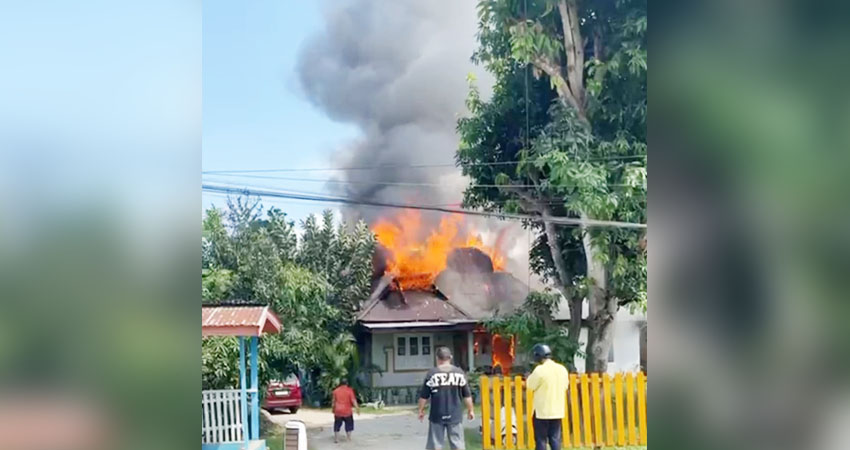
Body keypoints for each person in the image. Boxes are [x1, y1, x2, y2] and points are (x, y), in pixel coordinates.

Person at [418, 346, 474, 450]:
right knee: (457, 443)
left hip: (437, 414)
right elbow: (467, 395)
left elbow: (424, 396)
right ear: (450, 357)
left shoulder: (432, 374)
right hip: (455, 414)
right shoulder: (459, 373)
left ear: (437, 358)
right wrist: (471, 410)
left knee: (435, 444)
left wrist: (421, 410)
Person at [525, 343, 569, 450]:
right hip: (557, 410)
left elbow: (530, 385)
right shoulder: (562, 369)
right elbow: (565, 386)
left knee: (541, 440)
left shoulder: (540, 370)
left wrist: (528, 376)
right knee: (555, 439)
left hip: (542, 412)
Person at [331, 379, 359, 443]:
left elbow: (333, 402)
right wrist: (357, 408)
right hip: (347, 411)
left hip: (338, 411)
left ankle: (336, 438)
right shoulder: (349, 390)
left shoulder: (336, 391)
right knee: (349, 424)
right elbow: (353, 400)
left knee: (337, 424)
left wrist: (333, 409)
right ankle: (348, 438)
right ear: (347, 383)